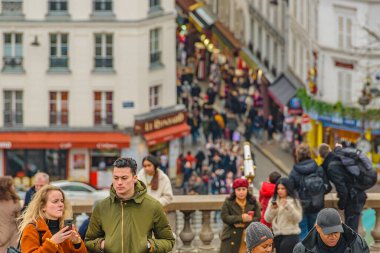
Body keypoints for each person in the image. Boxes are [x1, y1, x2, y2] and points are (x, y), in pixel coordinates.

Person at [85, 157, 175, 253]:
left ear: (135, 178)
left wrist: (148, 245)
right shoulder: (101, 207)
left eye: (124, 178)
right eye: (116, 178)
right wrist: (103, 244)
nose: (119, 182)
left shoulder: (153, 206)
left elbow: (168, 240)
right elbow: (89, 241)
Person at [19, 184, 87, 252]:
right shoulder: (32, 228)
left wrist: (77, 244)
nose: (61, 204)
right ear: (43, 206)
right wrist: (52, 243)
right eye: (55, 201)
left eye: (62, 201)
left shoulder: (67, 227)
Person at [318, 143, 367, 232]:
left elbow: (342, 189)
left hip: (353, 199)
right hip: (358, 195)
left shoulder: (331, 167)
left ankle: (353, 246)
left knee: (351, 231)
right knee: (352, 230)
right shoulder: (340, 158)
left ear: (321, 156)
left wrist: (341, 204)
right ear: (329, 150)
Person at [289, 143, 331, 239]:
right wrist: (317, 194)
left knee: (303, 231)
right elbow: (327, 187)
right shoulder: (318, 168)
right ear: (309, 154)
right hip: (316, 205)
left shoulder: (295, 171)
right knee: (315, 232)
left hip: (301, 206)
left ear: (297, 155)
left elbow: (290, 189)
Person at [293, 208, 370, 253]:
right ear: (318, 228)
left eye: (336, 232)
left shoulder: (358, 243)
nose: (333, 237)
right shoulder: (301, 250)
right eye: (328, 233)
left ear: (341, 225)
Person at [220, 178, 261, 253]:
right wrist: (241, 218)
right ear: (234, 191)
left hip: (249, 236)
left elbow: (258, 218)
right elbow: (224, 217)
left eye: (243, 189)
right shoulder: (228, 202)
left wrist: (244, 223)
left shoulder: (253, 202)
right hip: (231, 236)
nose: (241, 192)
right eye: (238, 190)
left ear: (247, 190)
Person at [264, 177, 303, 253]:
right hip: (277, 235)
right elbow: (267, 219)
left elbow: (298, 219)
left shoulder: (294, 201)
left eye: (283, 188)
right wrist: (272, 209)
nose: (280, 191)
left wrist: (288, 207)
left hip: (291, 235)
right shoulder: (273, 200)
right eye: (278, 189)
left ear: (287, 189)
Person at [0, 176, 21, 252]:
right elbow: (18, 224)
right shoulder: (14, 202)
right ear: (7, 187)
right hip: (11, 242)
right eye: (12, 185)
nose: (14, 187)